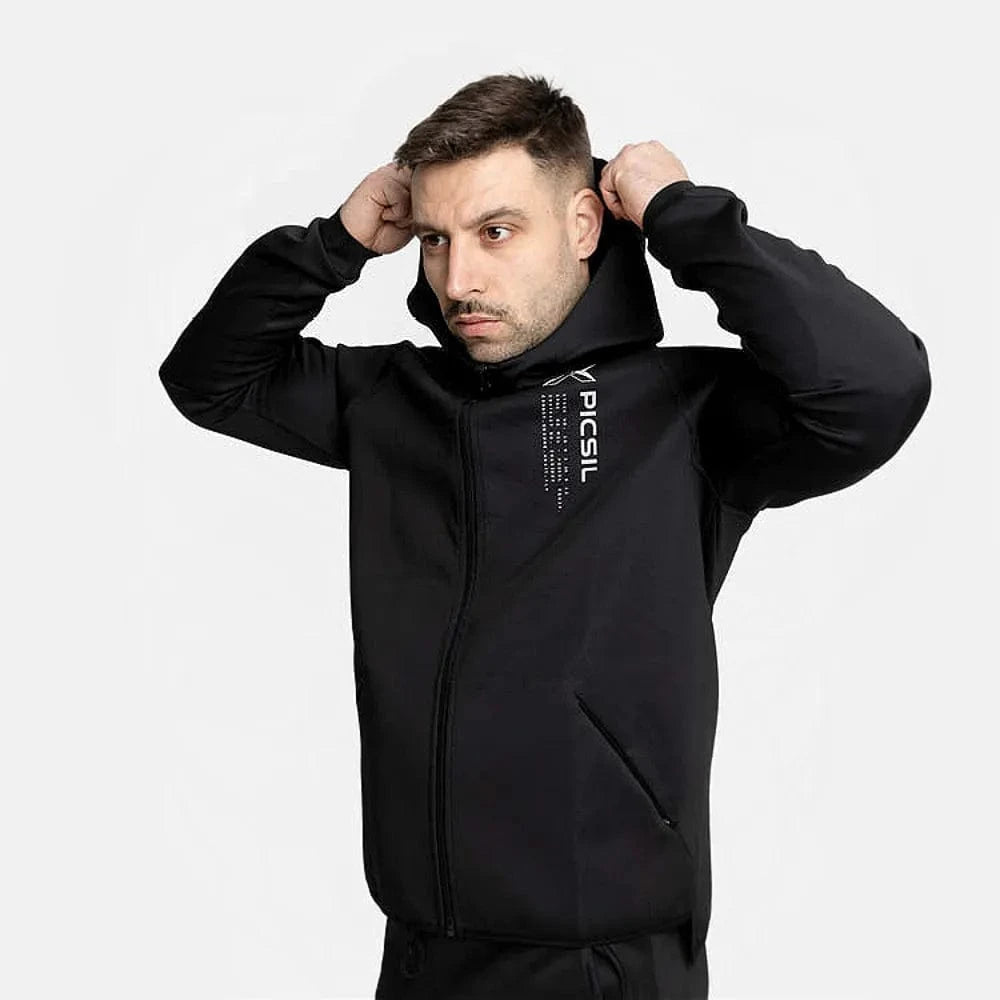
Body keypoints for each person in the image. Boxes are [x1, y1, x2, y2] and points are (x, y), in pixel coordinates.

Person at [158, 72, 931, 999]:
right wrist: (334, 245)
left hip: (599, 961)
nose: (459, 280)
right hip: (424, 947)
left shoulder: (683, 413)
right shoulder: (391, 401)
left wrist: (684, 216)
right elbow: (209, 379)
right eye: (437, 240)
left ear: (584, 224)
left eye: (496, 231)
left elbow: (877, 387)